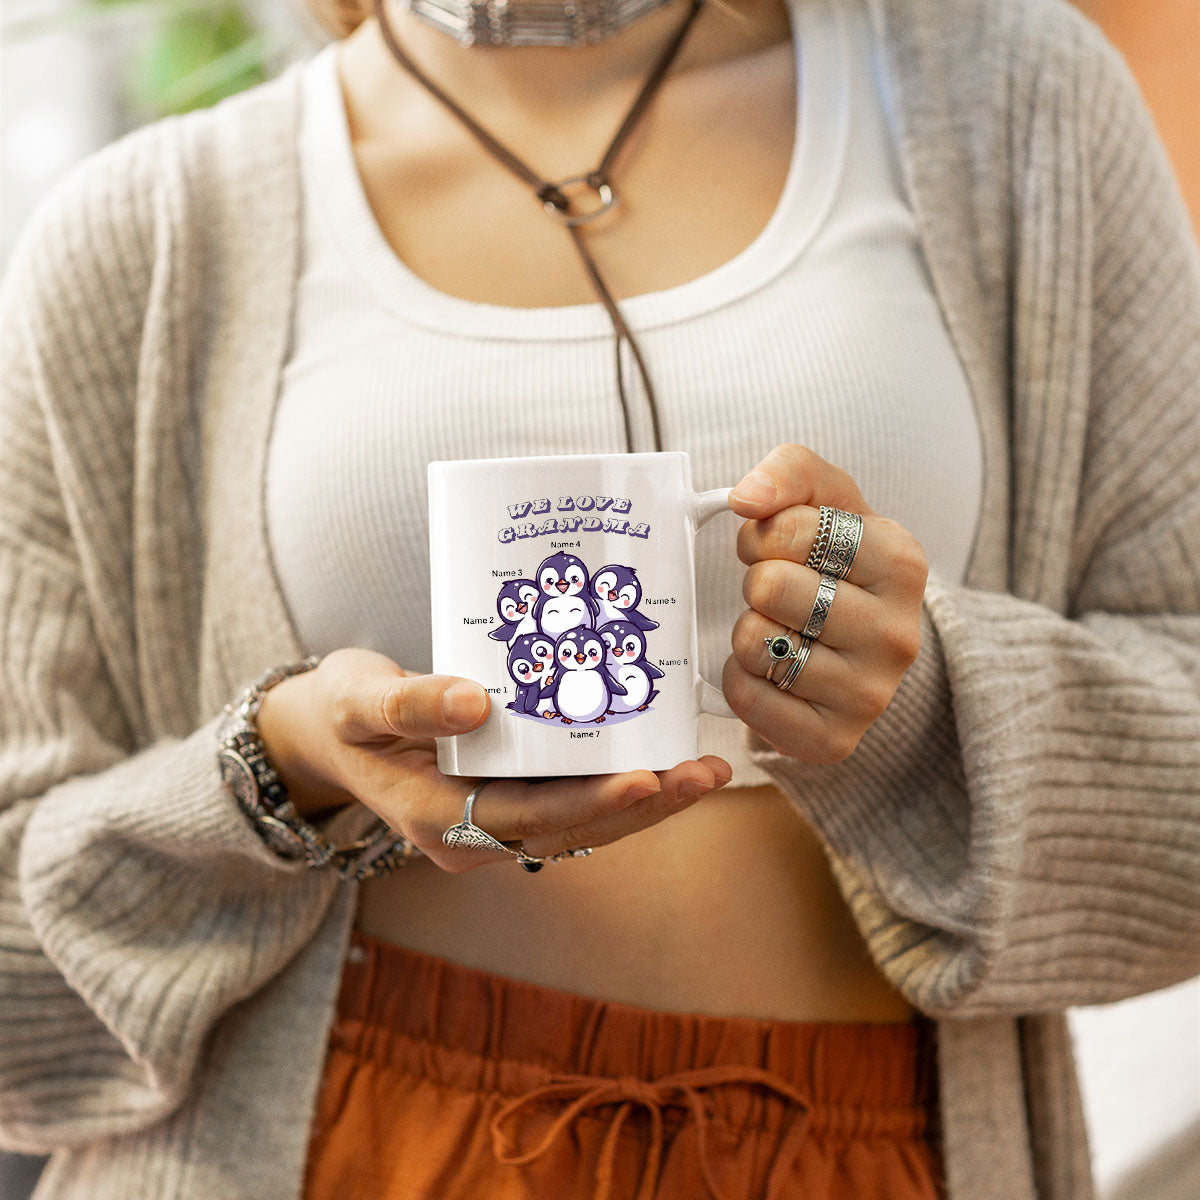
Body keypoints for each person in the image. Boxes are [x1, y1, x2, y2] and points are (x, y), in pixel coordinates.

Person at [1, 0, 1198, 1196]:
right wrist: (282, 774)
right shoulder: (150, 230)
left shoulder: (1010, 100)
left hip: (872, 1149)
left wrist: (926, 715)